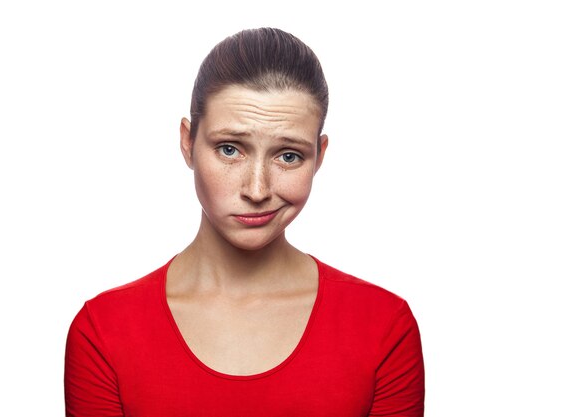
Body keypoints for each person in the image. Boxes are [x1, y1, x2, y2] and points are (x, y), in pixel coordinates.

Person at [64, 27, 424, 417]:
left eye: (288, 156)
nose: (257, 189)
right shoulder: (104, 331)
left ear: (319, 156)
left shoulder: (383, 326)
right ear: (188, 142)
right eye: (230, 149)